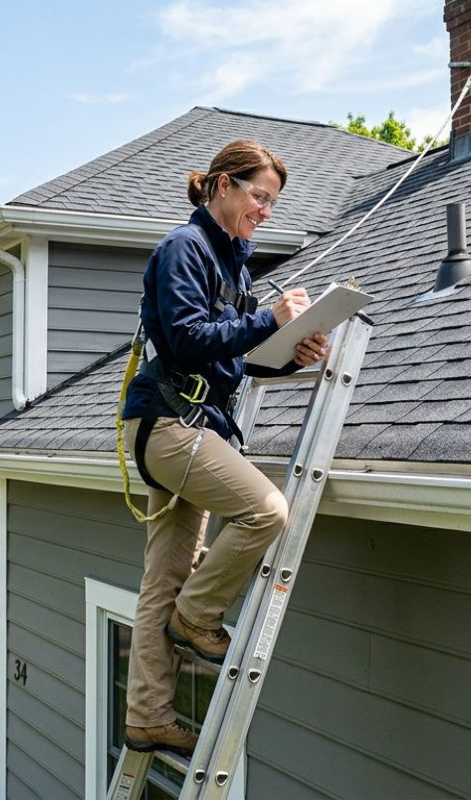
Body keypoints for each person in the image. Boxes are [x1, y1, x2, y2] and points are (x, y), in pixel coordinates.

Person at [119, 139, 329, 757]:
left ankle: (147, 715)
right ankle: (197, 619)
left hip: (187, 422)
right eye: (259, 197)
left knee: (164, 575)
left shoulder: (232, 260)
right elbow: (186, 340)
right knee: (267, 510)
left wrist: (292, 355)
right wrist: (269, 319)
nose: (265, 211)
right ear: (221, 186)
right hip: (170, 421)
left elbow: (230, 354)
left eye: (272, 203)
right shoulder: (185, 248)